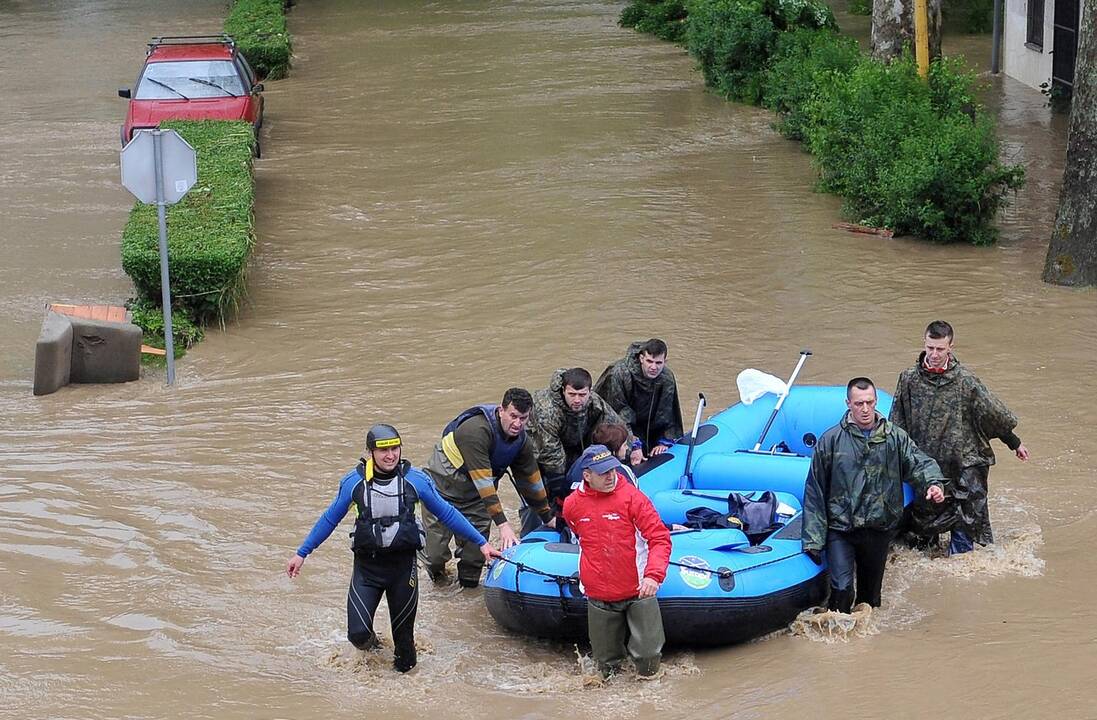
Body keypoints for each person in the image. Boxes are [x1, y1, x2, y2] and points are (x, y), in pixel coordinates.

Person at [285, 424, 500, 673]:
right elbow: (329, 519)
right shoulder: (353, 484)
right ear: (370, 452)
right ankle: (376, 649)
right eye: (383, 450)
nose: (390, 456)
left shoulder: (416, 481)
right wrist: (302, 553)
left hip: (403, 571)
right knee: (357, 634)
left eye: (395, 449)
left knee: (405, 656)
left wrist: (482, 543)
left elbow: (448, 513)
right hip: (367, 570)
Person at [802, 378, 946, 614]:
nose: (865, 409)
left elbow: (919, 462)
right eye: (859, 404)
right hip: (842, 529)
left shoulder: (895, 438)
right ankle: (838, 638)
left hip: (879, 527)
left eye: (869, 402)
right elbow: (815, 491)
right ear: (848, 403)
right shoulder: (830, 441)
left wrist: (933, 483)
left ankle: (865, 640)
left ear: (876, 401)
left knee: (870, 598)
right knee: (842, 589)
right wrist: (813, 540)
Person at [890, 320, 1030, 555]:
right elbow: (897, 422)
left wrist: (1014, 442)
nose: (934, 354)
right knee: (923, 534)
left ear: (951, 347)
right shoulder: (909, 379)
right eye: (930, 348)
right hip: (926, 464)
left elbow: (992, 413)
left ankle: (960, 563)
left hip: (963, 463)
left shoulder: (965, 380)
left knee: (965, 526)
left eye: (940, 349)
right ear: (924, 344)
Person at [422, 388, 556, 588]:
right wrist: (503, 525)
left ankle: (466, 594)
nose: (518, 424)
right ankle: (439, 581)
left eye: (523, 418)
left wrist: (548, 517)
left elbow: (531, 481)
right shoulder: (475, 431)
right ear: (501, 410)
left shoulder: (521, 442)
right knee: (435, 557)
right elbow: (483, 481)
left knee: (474, 560)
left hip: (476, 499)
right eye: (513, 416)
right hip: (441, 493)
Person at [562, 444, 672, 679]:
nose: (611, 476)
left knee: (649, 661)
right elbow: (579, 538)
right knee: (605, 669)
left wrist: (653, 575)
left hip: (638, 591)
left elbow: (660, 538)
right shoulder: (572, 505)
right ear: (587, 475)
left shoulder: (634, 499)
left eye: (612, 469)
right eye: (603, 472)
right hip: (599, 595)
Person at [524, 368, 642, 533]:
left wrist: (635, 445)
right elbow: (551, 453)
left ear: (589, 392)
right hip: (538, 453)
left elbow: (615, 423)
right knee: (537, 499)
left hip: (571, 448)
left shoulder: (593, 401)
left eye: (582, 395)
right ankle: (528, 536)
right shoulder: (547, 410)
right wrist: (559, 486)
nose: (577, 400)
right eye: (572, 395)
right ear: (563, 390)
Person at [594, 339, 684, 457]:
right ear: (641, 358)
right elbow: (617, 413)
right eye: (649, 361)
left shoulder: (667, 378)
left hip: (648, 426)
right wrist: (634, 444)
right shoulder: (619, 373)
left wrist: (665, 441)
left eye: (658, 363)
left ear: (665, 361)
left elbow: (669, 412)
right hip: (622, 427)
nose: (653, 367)